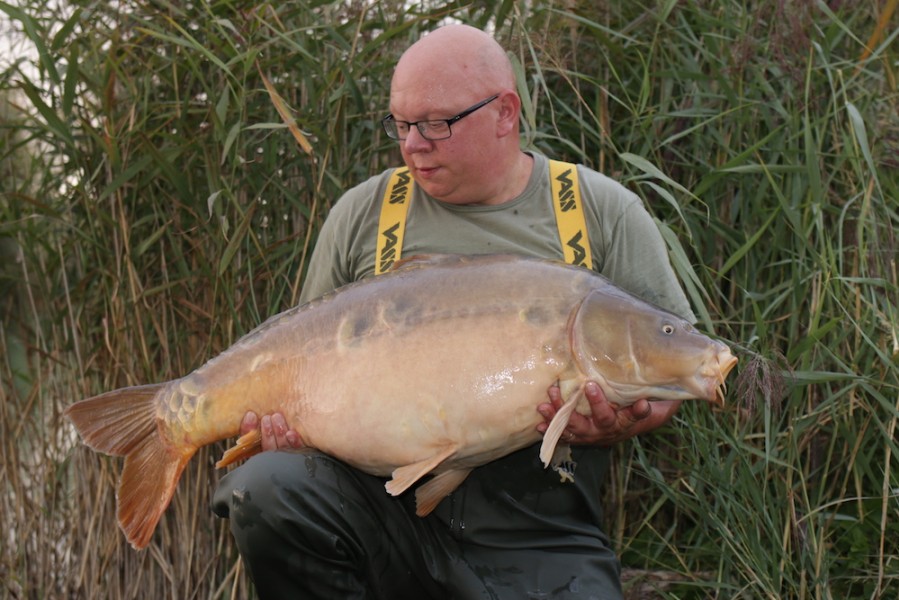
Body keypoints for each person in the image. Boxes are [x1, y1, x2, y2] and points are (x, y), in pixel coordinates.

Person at [212, 24, 695, 599]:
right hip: (381, 512)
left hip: (540, 535)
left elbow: (672, 368)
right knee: (268, 484)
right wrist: (287, 431)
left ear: (505, 113)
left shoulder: (600, 212)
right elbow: (299, 361)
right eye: (401, 124)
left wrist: (622, 420)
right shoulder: (363, 214)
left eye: (437, 124)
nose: (413, 143)